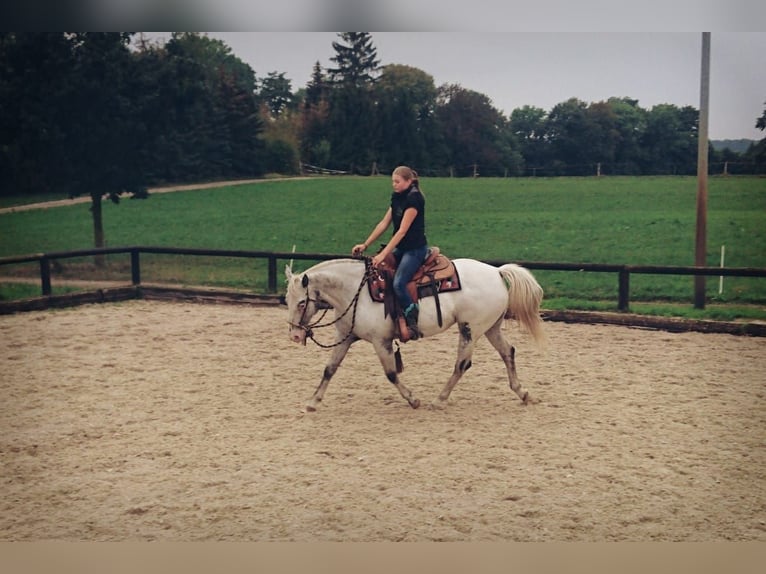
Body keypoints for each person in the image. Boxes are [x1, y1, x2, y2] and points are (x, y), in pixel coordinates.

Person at [352, 166, 429, 340]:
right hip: (402, 248)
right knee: (379, 274)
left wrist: (382, 254)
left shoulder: (414, 199)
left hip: (415, 249)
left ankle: (412, 320)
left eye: (397, 181)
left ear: (408, 181)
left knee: (398, 283)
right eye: (393, 181)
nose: (394, 184)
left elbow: (401, 231)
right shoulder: (397, 197)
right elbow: (384, 223)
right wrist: (365, 244)